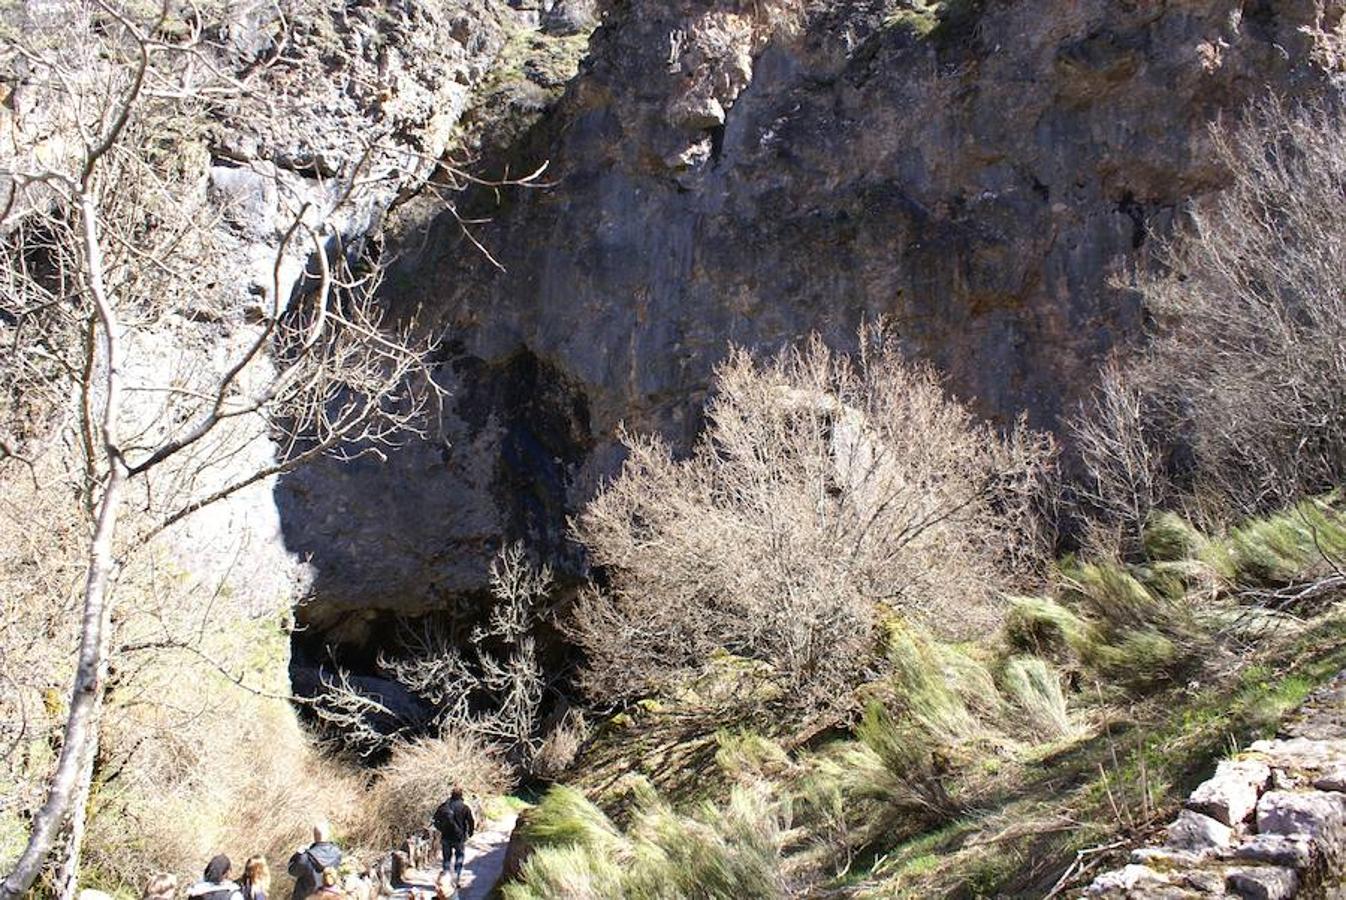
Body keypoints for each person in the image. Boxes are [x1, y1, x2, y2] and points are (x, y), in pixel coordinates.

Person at [288, 821, 343, 900]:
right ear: (328, 835)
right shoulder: (337, 854)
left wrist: (298, 854)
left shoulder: (305, 857)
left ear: (314, 836)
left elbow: (292, 871)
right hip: (328, 896)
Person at [431, 786, 474, 884]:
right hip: (459, 837)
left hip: (446, 836)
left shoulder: (444, 806)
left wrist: (440, 828)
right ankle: (456, 879)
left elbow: (435, 818)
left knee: (446, 859)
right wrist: (470, 832)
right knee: (459, 857)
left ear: (451, 795)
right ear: (461, 795)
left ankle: (445, 880)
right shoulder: (464, 807)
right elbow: (471, 821)